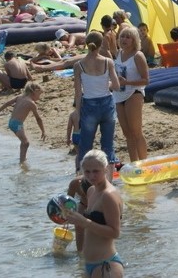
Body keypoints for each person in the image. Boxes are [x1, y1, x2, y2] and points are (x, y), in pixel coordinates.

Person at [62, 149, 124, 278]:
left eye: (96, 171)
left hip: (106, 265)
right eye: (87, 172)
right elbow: (90, 226)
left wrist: (84, 222)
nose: (91, 176)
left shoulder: (109, 195)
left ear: (106, 169)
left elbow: (115, 232)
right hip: (90, 265)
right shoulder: (91, 191)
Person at [74, 31, 121, 169]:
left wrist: (77, 112)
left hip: (89, 105)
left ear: (86, 44)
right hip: (107, 103)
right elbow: (116, 86)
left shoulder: (79, 65)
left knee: (86, 144)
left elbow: (78, 93)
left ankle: (84, 180)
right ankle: (109, 180)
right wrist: (106, 85)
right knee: (108, 144)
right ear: (101, 45)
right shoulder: (108, 62)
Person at [113, 26, 149, 162]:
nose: (124, 39)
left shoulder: (138, 56)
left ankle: (144, 162)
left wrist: (127, 82)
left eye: (128, 37)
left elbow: (146, 79)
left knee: (136, 132)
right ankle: (134, 163)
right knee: (127, 133)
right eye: (122, 36)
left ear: (134, 40)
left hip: (134, 93)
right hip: (118, 94)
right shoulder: (118, 53)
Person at [0, 81, 45, 162]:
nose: (39, 97)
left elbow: (7, 103)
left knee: (24, 142)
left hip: (13, 122)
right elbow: (38, 119)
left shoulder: (19, 97)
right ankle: (22, 161)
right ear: (34, 91)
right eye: (39, 94)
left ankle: (22, 159)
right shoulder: (31, 103)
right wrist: (43, 131)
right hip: (16, 124)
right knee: (26, 142)